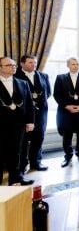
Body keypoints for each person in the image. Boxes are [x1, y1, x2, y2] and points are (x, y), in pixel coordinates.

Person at [0, 57, 35, 185]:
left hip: (18, 125)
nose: (13, 67)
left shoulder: (22, 83)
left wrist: (30, 121)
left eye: (14, 65)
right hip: (1, 125)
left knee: (16, 153)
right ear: (1, 68)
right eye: (9, 65)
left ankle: (15, 179)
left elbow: (30, 104)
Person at [53, 56, 79, 167]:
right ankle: (68, 156)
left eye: (77, 64)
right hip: (66, 112)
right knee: (67, 134)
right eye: (73, 64)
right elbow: (56, 94)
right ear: (68, 65)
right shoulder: (60, 78)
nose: (75, 66)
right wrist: (67, 106)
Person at [15, 54, 51, 172]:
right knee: (23, 141)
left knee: (38, 138)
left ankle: (36, 162)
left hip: (41, 114)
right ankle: (22, 164)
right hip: (23, 115)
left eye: (35, 63)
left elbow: (48, 93)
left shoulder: (44, 76)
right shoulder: (15, 77)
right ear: (22, 64)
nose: (33, 65)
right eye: (30, 62)